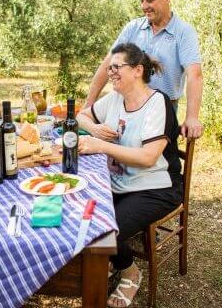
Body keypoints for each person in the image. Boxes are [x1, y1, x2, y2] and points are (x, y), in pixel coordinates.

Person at [77, 43, 182, 308]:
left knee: (103, 230)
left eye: (116, 67)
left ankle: (129, 270)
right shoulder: (115, 98)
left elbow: (148, 158)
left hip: (157, 187)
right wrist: (95, 129)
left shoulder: (158, 103)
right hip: (120, 181)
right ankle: (108, 260)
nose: (109, 72)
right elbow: (81, 116)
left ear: (137, 70)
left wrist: (100, 145)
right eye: (109, 67)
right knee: (81, 214)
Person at [85, 0, 204, 139]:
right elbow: (108, 63)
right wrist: (89, 104)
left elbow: (195, 74)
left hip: (162, 110)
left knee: (144, 159)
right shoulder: (133, 27)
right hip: (126, 107)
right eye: (142, 0)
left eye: (150, 0)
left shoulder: (183, 32)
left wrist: (191, 117)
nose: (144, 6)